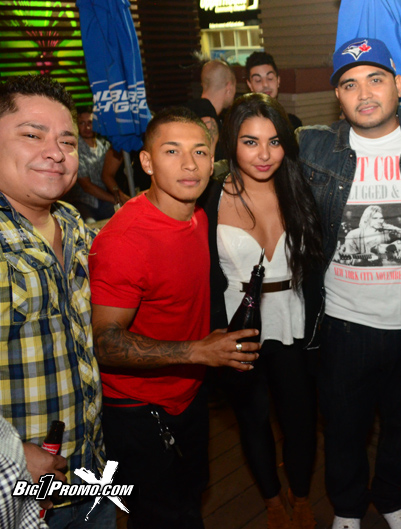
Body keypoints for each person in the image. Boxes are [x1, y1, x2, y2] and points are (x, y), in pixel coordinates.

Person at [297, 37, 401, 529]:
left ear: (398, 84)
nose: (364, 93)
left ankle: (391, 498)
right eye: (350, 84)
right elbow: (250, 161)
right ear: (337, 96)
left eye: (375, 79)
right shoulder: (313, 146)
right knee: (343, 429)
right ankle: (347, 509)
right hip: (345, 323)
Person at [89, 106, 260, 528]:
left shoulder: (197, 216)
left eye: (200, 152)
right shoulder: (125, 240)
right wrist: (198, 350)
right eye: (172, 151)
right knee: (159, 516)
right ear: (146, 162)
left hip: (188, 392)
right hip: (138, 409)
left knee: (191, 497)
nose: (189, 164)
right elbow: (105, 343)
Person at [202, 93, 324, 529]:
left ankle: (301, 494)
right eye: (250, 142)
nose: (264, 154)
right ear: (232, 143)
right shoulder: (209, 197)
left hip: (293, 321)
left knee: (301, 421)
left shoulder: (301, 188)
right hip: (238, 327)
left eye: (274, 142)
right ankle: (272, 500)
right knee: (252, 420)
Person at [0, 74, 114, 528]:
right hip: (18, 499)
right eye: (33, 135)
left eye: (67, 141)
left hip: (90, 478)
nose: (56, 152)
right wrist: (8, 453)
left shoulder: (72, 223)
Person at [70, 106, 116, 220]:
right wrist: (116, 199)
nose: (87, 127)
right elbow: (87, 186)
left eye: (90, 122)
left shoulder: (104, 145)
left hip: (105, 199)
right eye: (82, 123)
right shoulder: (74, 149)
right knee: (90, 224)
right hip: (84, 202)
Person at [245, 52, 302, 130]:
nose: (265, 84)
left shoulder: (293, 124)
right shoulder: (246, 125)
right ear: (250, 85)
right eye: (258, 80)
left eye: (270, 78)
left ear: (278, 80)